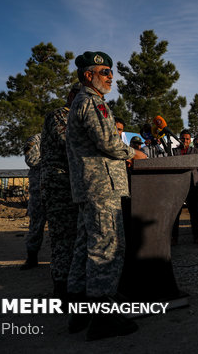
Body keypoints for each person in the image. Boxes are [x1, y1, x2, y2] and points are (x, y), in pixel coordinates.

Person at [66, 51, 146, 340]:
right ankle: (103, 319)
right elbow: (109, 141)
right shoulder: (92, 101)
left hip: (89, 187)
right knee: (106, 248)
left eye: (111, 71)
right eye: (104, 71)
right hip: (102, 187)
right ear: (88, 75)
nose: (110, 76)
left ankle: (78, 310)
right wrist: (133, 152)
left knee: (84, 246)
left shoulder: (80, 101)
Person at [39, 84, 81, 299]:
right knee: (63, 237)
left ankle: (72, 285)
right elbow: (69, 143)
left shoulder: (77, 117)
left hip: (72, 184)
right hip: (58, 186)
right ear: (72, 95)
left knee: (74, 236)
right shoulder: (59, 115)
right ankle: (62, 288)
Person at [172, 130, 198, 245]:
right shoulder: (174, 151)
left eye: (187, 139)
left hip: (192, 185)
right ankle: (174, 237)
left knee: (195, 212)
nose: (185, 141)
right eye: (183, 139)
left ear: (190, 140)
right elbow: (174, 165)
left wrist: (183, 164)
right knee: (175, 213)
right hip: (178, 185)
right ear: (179, 139)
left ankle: (197, 236)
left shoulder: (195, 151)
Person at [20, 133, 45, 270]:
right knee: (36, 227)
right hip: (39, 192)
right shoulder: (36, 140)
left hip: (58, 191)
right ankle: (32, 257)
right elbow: (32, 160)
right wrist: (55, 160)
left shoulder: (66, 137)